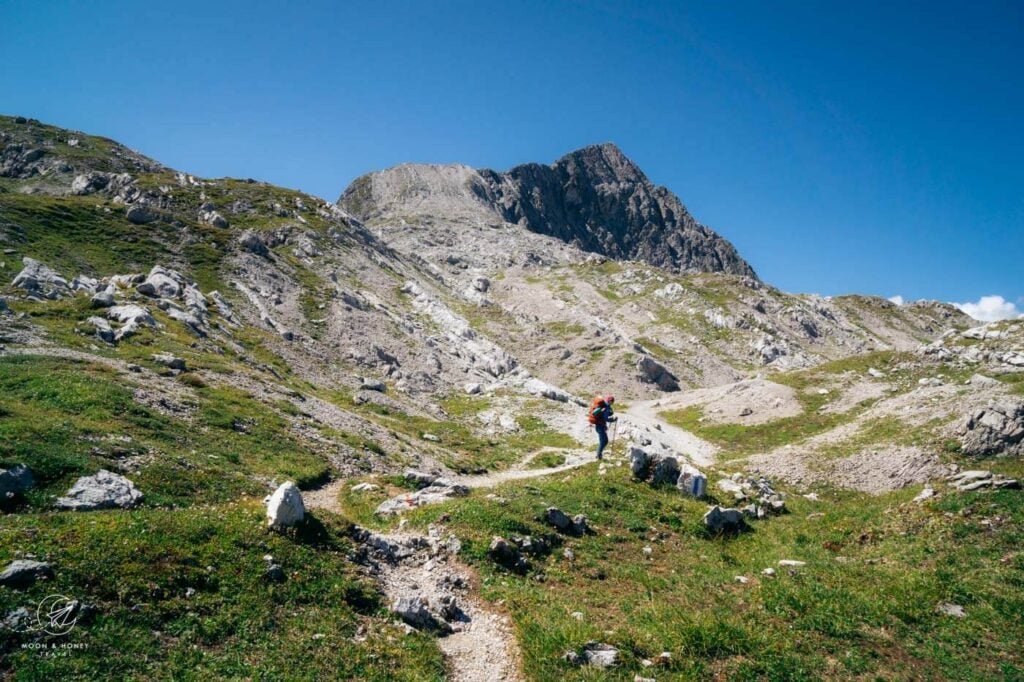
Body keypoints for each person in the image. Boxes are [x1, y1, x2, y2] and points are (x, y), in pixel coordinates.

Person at [588, 395, 616, 460]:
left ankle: (598, 455)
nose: (612, 403)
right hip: (600, 426)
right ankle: (599, 455)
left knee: (602, 441)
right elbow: (606, 418)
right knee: (605, 441)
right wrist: (613, 419)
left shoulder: (603, 406)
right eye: (612, 402)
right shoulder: (605, 407)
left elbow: (602, 417)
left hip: (599, 426)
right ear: (610, 401)